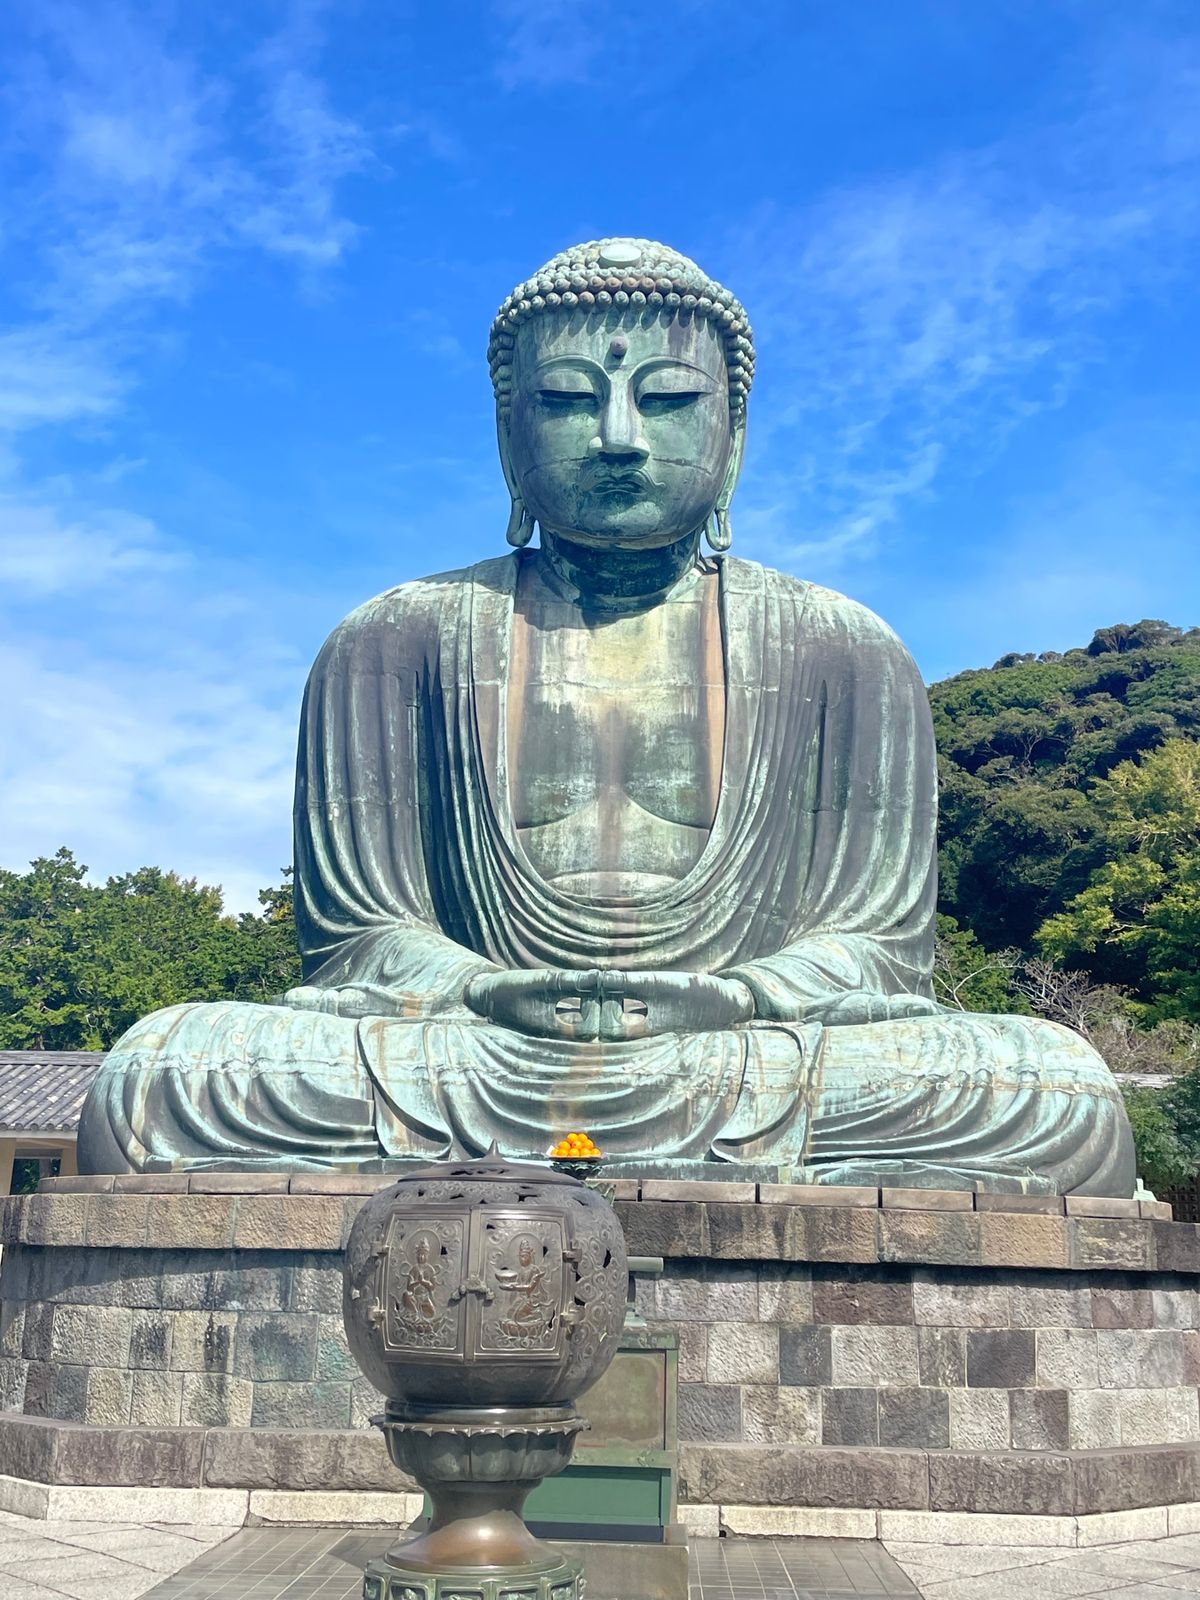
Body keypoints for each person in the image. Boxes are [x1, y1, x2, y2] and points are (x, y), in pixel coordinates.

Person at [78, 238, 1134, 1195]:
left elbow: (876, 947)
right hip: (476, 1047)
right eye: (567, 400)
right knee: (167, 1072)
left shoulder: (844, 649)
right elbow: (360, 939)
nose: (619, 438)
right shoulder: (393, 639)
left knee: (1050, 1089)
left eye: (667, 398)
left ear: (732, 435)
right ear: (509, 436)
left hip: (744, 1052)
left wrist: (738, 998)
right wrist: (485, 991)